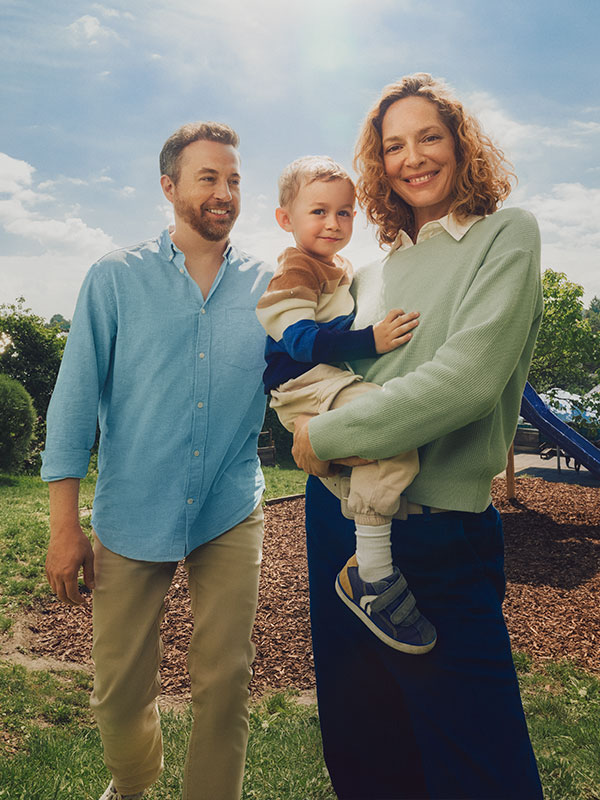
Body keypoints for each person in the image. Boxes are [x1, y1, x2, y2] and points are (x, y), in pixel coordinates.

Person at [292, 74, 545, 799]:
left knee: (483, 772)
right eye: (393, 145)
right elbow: (313, 367)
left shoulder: (507, 234)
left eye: (429, 136)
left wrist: (331, 432)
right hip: (335, 527)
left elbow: (465, 382)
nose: (413, 157)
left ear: (463, 146)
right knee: (365, 757)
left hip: (437, 536)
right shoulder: (370, 273)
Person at [42, 122, 271, 800]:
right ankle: (134, 783)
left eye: (233, 180)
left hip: (230, 506)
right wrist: (63, 526)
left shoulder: (271, 284)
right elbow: (74, 404)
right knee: (117, 689)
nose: (224, 192)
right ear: (169, 186)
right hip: (132, 508)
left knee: (225, 680)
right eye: (209, 178)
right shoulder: (115, 277)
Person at [256, 155, 435, 653]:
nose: (333, 223)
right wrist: (369, 340)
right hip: (305, 383)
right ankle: (371, 573)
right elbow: (300, 341)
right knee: (392, 432)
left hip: (323, 382)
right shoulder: (296, 267)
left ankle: (341, 479)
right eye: (318, 212)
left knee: (378, 447)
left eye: (345, 212)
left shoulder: (338, 267)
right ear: (285, 219)